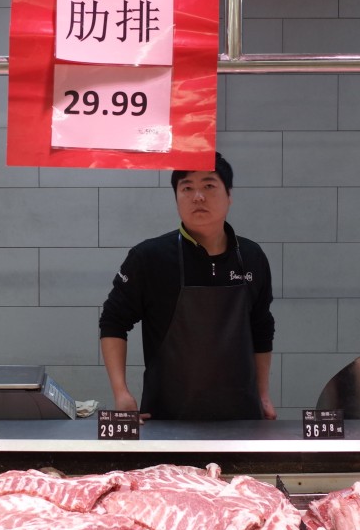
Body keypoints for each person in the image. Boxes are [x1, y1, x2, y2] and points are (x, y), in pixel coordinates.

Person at [98, 152, 277, 420]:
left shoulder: (252, 257)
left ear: (229, 196)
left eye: (208, 186)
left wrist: (263, 396)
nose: (198, 197)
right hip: (167, 417)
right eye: (187, 188)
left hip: (242, 417)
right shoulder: (149, 257)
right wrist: (121, 393)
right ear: (176, 198)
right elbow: (113, 322)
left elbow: (262, 328)